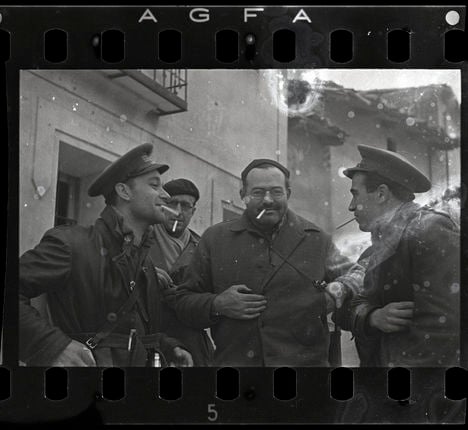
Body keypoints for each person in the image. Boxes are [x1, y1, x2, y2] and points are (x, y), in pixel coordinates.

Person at [175, 159, 364, 366]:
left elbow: (359, 274)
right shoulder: (215, 239)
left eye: (276, 192)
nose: (267, 200)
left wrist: (339, 289)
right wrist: (217, 304)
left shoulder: (315, 239)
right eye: (257, 193)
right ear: (243, 196)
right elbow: (183, 302)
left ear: (288, 194)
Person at [19, 143, 193, 367]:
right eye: (154, 185)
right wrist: (52, 346)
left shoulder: (145, 264)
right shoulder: (71, 244)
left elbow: (129, 329)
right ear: (124, 191)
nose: (166, 195)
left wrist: (168, 346)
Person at [343, 144, 460, 366]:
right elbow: (356, 303)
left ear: (381, 194)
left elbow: (444, 330)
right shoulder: (382, 241)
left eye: (355, 195)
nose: (351, 206)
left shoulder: (430, 231)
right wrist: (373, 317)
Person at [149, 178, 215, 366]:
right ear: (163, 205)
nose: (178, 211)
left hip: (190, 340)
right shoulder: (141, 237)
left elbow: (210, 300)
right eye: (172, 203)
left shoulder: (202, 247)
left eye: (185, 205)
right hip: (148, 336)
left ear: (193, 211)